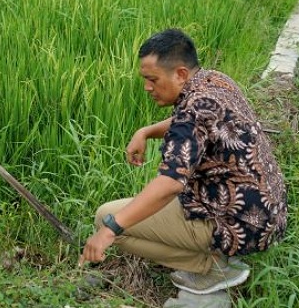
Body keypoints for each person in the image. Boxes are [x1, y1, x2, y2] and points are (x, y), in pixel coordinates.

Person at [79, 29, 287, 295]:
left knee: (105, 217)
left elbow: (169, 184)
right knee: (127, 216)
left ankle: (212, 268)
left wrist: (112, 228)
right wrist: (145, 131)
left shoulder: (191, 113)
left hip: (234, 222)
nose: (147, 87)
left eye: (152, 79)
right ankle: (212, 257)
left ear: (180, 74)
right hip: (267, 214)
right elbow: (191, 121)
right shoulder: (214, 81)